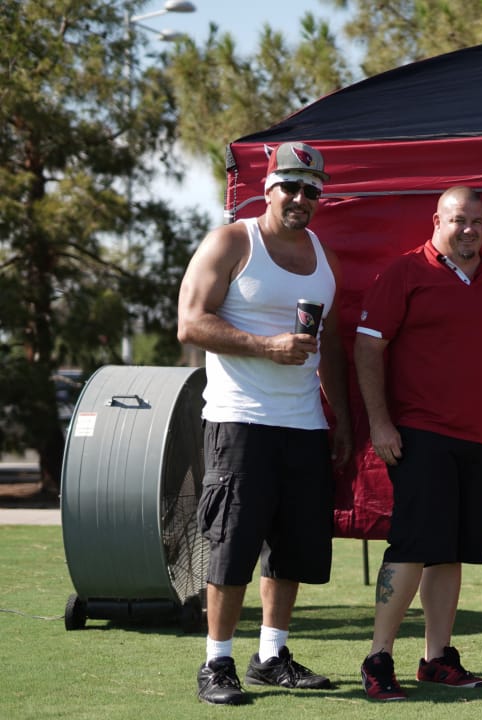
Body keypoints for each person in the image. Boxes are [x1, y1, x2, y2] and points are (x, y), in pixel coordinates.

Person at [177, 141, 352, 705]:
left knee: (291, 550)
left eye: (311, 190)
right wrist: (263, 345)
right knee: (231, 547)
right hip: (239, 421)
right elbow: (190, 323)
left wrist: (342, 421)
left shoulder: (323, 255)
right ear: (268, 186)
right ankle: (216, 663)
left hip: (303, 424)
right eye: (291, 186)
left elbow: (325, 347)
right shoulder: (232, 240)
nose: (301, 198)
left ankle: (272, 655)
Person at [354, 186, 482, 701]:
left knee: (449, 552)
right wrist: (380, 424)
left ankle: (436, 658)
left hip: (478, 438)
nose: (468, 229)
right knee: (412, 546)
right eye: (458, 220)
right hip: (421, 434)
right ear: (437, 220)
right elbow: (367, 348)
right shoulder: (404, 272)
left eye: (477, 221)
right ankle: (378, 657)